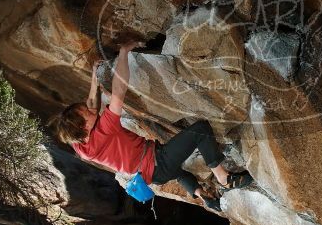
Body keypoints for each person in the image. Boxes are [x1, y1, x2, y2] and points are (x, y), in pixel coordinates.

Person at [49, 41, 252, 211]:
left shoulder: (80, 146)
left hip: (151, 173)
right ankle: (225, 180)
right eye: (87, 113)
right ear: (84, 127)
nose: (91, 109)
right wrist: (123, 52)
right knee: (201, 130)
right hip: (157, 162)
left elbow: (92, 104)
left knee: (180, 173)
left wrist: (94, 75)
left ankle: (203, 197)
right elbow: (119, 90)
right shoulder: (104, 130)